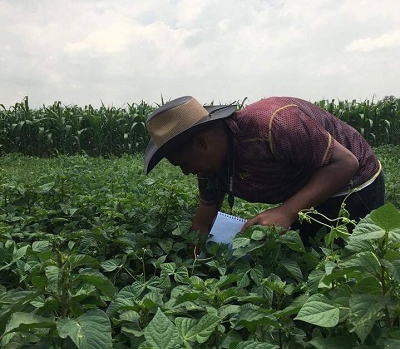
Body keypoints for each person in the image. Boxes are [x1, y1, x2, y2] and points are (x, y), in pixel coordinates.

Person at [144, 95, 385, 245]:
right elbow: (205, 215)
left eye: (184, 164)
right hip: (304, 192)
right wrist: (193, 263)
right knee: (300, 253)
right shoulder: (210, 168)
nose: (187, 172)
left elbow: (345, 163)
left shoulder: (274, 125)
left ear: (202, 143)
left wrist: (287, 211)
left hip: (351, 187)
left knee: (343, 260)